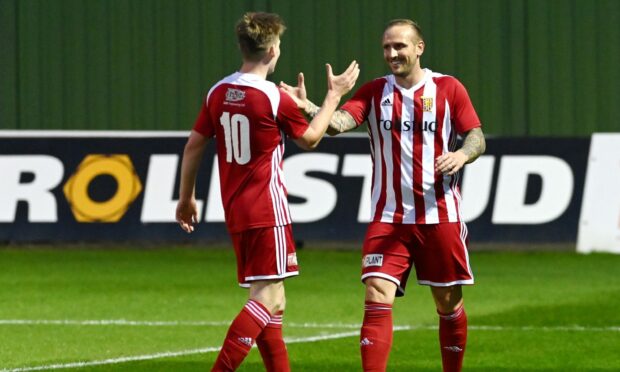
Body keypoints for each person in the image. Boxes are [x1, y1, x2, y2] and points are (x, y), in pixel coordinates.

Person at [280, 19, 485, 372]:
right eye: (387, 48)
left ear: (419, 48)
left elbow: (476, 137)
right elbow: (337, 124)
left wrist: (461, 155)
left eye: (400, 46)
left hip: (440, 216)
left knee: (447, 302)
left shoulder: (449, 89)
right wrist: (308, 106)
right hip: (388, 218)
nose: (392, 54)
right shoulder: (376, 92)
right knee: (376, 291)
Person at [175, 11, 359, 372]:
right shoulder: (273, 97)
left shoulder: (218, 91)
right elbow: (310, 138)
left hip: (236, 209)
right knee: (266, 298)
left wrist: (186, 197)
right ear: (273, 51)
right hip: (267, 209)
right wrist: (333, 97)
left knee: (276, 303)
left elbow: (194, 145)